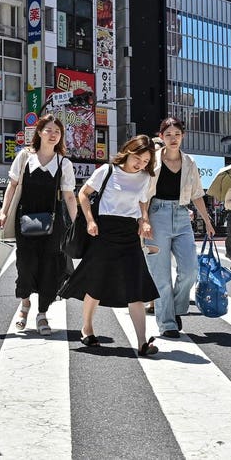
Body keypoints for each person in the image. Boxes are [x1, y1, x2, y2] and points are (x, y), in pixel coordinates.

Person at [62, 135, 161, 356]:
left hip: (129, 233)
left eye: (146, 161)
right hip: (104, 231)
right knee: (96, 285)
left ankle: (142, 342)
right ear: (128, 151)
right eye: (138, 158)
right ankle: (87, 328)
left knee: (135, 287)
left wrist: (144, 220)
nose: (141, 164)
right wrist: (89, 220)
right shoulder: (107, 171)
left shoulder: (145, 177)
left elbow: (143, 201)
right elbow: (83, 194)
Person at [0, 114, 78, 336]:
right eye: (49, 130)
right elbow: (12, 187)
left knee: (50, 268)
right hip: (25, 220)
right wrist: (3, 212)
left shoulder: (64, 163)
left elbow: (70, 197)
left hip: (53, 224)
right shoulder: (24, 157)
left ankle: (42, 314)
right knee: (25, 265)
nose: (53, 135)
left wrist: (78, 223)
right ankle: (25, 305)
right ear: (39, 132)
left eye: (57, 132)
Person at [144, 117, 216, 339]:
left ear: (183, 136)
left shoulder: (190, 162)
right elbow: (143, 193)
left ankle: (173, 309)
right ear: (161, 137)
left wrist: (207, 220)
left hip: (183, 216)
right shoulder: (152, 160)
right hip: (156, 215)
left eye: (177, 134)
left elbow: (197, 194)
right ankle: (167, 323)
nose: (173, 139)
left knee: (190, 269)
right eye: (168, 135)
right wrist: (144, 219)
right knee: (161, 275)